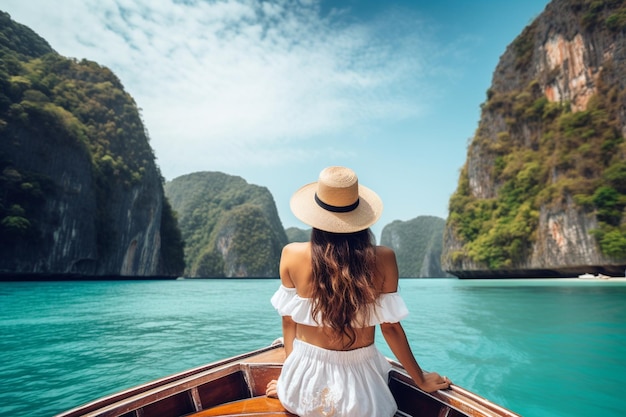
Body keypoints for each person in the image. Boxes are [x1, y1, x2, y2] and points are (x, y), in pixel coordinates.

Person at [266, 166, 451, 416]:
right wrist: (420, 379)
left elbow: (289, 322)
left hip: (302, 386)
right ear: (360, 217)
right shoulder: (384, 258)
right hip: (362, 393)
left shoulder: (291, 253)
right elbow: (391, 327)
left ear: (315, 215)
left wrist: (289, 380)